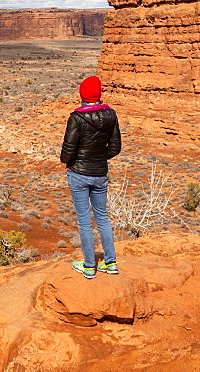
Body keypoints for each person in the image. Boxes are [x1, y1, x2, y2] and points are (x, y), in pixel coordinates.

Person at [60, 75, 121, 279]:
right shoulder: (111, 114)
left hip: (78, 173)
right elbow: (115, 147)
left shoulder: (76, 117)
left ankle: (88, 266)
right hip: (99, 173)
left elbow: (68, 150)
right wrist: (97, 158)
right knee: (102, 217)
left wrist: (68, 161)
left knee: (85, 221)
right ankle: (110, 262)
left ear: (82, 95)